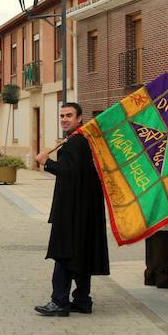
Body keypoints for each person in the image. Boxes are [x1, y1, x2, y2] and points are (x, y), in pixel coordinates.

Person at [34, 103, 109, 317]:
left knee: (63, 254)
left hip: (71, 211)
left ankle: (59, 301)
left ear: (79, 118)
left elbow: (70, 173)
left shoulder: (76, 143)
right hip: (83, 211)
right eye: (62, 116)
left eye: (69, 116)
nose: (64, 119)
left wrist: (46, 162)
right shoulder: (82, 140)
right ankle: (82, 300)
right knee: (81, 255)